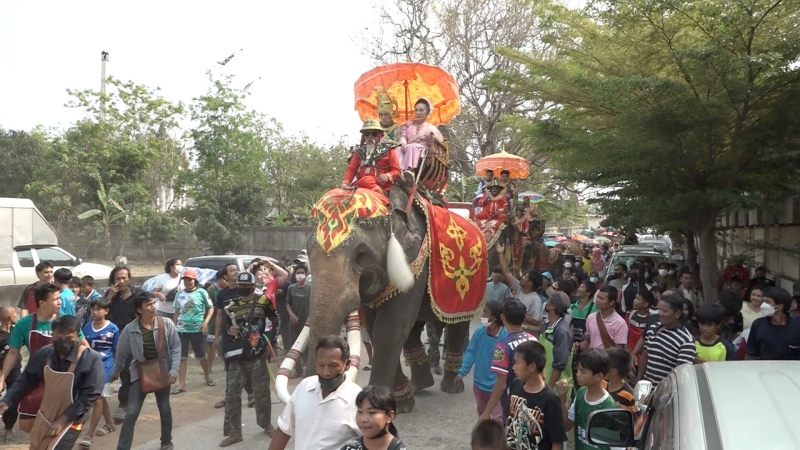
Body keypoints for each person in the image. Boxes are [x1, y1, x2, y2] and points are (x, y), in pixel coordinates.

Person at [0, 315, 105, 450]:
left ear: (77, 336)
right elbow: (26, 379)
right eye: (59, 337)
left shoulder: (90, 358)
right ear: (52, 334)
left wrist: (63, 420)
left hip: (74, 417)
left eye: (69, 338)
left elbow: (90, 395)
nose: (63, 341)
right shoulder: (45, 354)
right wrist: (7, 399)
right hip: (46, 415)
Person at [112, 292, 180, 450]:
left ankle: (166, 441)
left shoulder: (166, 323)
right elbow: (121, 354)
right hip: (140, 373)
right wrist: (115, 372)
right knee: (131, 413)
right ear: (139, 310)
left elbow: (176, 347)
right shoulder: (130, 329)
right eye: (148, 304)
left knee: (164, 410)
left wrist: (174, 370)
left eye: (153, 303)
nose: (153, 306)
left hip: (163, 371)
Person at [269, 335, 362, 450]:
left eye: (333, 366)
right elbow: (284, 428)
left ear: (347, 365)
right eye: (321, 365)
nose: (326, 372)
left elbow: (372, 441)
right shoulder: (304, 386)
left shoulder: (358, 399)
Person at [219, 272, 279, 447]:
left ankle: (266, 424)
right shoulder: (231, 305)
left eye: (246, 286)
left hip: (257, 354)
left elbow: (275, 321)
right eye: (240, 285)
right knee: (232, 394)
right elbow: (226, 327)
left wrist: (269, 341)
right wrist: (230, 331)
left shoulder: (263, 301)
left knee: (261, 392)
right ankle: (234, 433)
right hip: (237, 356)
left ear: (253, 286)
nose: (243, 288)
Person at [482, 298, 537, 424]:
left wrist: (487, 412)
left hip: (513, 402)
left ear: (503, 317)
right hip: (533, 400)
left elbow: (501, 384)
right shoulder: (533, 340)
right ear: (524, 318)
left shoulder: (502, 347)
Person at [507, 341, 567, 450]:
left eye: (517, 363)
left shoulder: (550, 400)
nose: (513, 367)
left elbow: (557, 442)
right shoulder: (515, 385)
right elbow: (509, 423)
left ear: (532, 366)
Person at [456, 301, 508, 425]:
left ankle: (497, 437)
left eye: (485, 312)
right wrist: (462, 372)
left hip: (496, 385)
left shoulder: (505, 335)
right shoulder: (480, 332)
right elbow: (471, 352)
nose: (482, 314)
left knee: (497, 418)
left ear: (494, 317)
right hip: (479, 384)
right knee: (482, 414)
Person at [79, 297, 120, 447]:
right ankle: (110, 423)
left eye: (98, 309)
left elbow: (116, 350)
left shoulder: (113, 328)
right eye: (93, 309)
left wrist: (117, 369)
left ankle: (89, 435)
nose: (95, 312)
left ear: (106, 311)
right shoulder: (86, 327)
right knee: (100, 397)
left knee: (97, 398)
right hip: (90, 367)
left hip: (106, 367)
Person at [556, 348, 616, 450]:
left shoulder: (608, 406)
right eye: (578, 370)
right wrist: (563, 398)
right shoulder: (581, 393)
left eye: (583, 372)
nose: (577, 374)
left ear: (598, 376)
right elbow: (567, 426)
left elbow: (616, 446)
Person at [106, 266, 144, 424]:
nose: (121, 281)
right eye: (118, 278)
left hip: (135, 336)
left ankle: (128, 402)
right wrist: (110, 297)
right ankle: (125, 402)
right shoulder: (110, 296)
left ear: (129, 279)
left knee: (133, 371)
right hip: (116, 338)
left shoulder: (138, 295)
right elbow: (102, 312)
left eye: (124, 278)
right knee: (123, 371)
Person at [637, 293, 696, 386]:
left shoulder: (686, 340)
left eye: (664, 311)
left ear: (677, 314)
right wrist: (639, 382)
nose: (660, 313)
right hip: (646, 388)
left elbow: (680, 373)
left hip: (666, 392)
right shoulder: (653, 328)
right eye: (659, 309)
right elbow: (645, 355)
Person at [172, 268, 215, 393]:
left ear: (195, 280)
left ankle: (207, 376)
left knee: (201, 355)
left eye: (189, 280)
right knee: (182, 357)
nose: (187, 282)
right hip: (181, 330)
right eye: (185, 280)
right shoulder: (179, 294)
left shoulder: (202, 292)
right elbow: (176, 312)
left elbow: (211, 308)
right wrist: (173, 327)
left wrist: (205, 322)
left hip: (197, 329)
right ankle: (182, 384)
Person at [342, 119, 402, 195]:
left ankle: (382, 196)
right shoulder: (358, 151)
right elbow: (351, 169)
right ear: (363, 136)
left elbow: (396, 170)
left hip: (381, 186)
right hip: (359, 185)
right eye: (367, 134)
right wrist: (345, 183)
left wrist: (387, 176)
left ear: (380, 135)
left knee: (367, 180)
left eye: (374, 134)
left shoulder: (389, 149)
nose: (370, 137)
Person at [339, 386, 406, 450]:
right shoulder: (350, 447)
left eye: (371, 412)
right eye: (359, 412)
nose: (363, 419)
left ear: (389, 416)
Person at [746, 287, 800, 360]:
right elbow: (750, 353)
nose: (763, 305)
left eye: (767, 302)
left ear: (779, 307)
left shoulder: (797, 327)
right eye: (763, 301)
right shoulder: (758, 324)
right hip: (764, 366)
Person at [397, 98, 445, 171]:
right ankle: (397, 171)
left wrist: (431, 138)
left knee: (412, 147)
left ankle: (410, 171)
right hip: (407, 147)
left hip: (423, 150)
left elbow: (438, 141)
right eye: (416, 110)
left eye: (421, 110)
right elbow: (403, 136)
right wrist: (403, 144)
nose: (418, 113)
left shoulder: (431, 128)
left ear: (427, 113)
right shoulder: (408, 125)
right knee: (398, 149)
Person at [579, 286, 627, 351]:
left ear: (611, 302)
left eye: (601, 298)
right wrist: (578, 346)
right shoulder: (591, 317)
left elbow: (618, 350)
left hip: (608, 357)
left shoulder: (620, 323)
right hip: (591, 356)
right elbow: (589, 342)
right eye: (597, 297)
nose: (597, 300)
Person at [542, 292, 573, 390]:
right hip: (544, 383)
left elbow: (559, 364)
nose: (546, 303)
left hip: (557, 389)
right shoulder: (547, 325)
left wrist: (549, 389)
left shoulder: (562, 332)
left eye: (549, 300)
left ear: (552, 306)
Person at [286, 265, 311, 378]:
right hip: (294, 322)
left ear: (306, 274)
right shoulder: (291, 288)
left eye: (302, 272)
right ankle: (298, 370)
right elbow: (288, 303)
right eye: (298, 272)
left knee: (307, 347)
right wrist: (291, 314)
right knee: (294, 346)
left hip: (307, 323)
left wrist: (310, 318)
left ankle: (308, 370)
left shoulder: (310, 288)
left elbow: (313, 305)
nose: (300, 275)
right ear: (295, 274)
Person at [0, 306, 19, 441]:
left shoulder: (15, 331)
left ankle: (9, 427)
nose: (17, 316)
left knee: (12, 399)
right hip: (1, 371)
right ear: (9, 317)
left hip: (15, 371)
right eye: (15, 314)